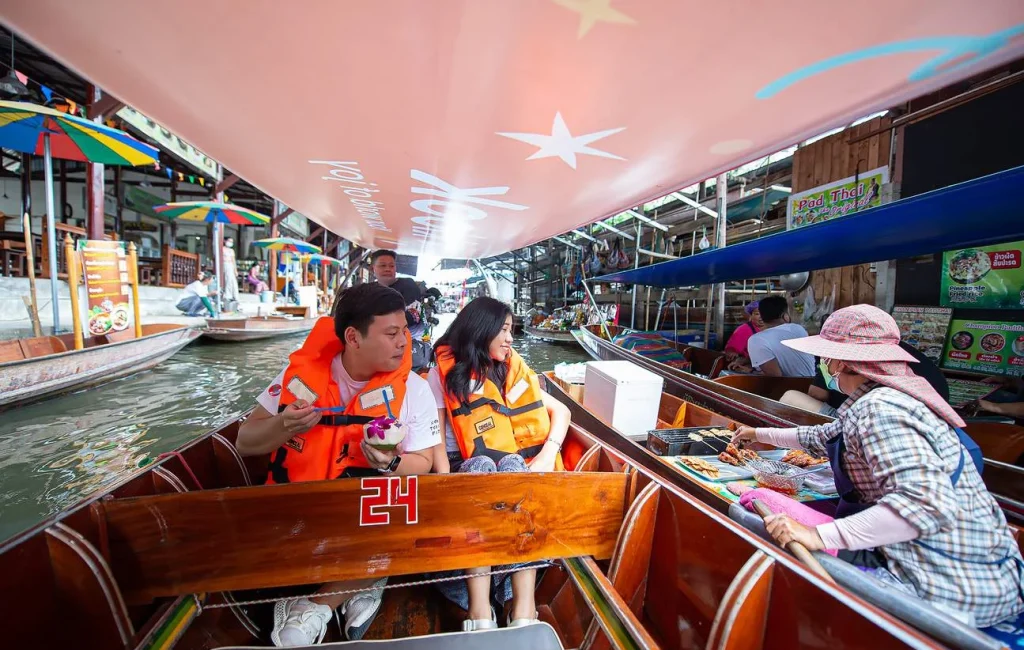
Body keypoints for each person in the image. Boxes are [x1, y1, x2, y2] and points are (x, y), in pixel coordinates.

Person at [732, 305, 1023, 628]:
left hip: (948, 586)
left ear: (841, 363)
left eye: (826, 359)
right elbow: (821, 436)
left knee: (766, 534)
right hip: (940, 564)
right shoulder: (876, 399)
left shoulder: (881, 410)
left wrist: (818, 535)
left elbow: (924, 505)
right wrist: (757, 434)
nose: (824, 366)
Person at [235, 283, 441, 646]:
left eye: (405, 332)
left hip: (368, 521)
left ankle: (316, 606)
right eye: (391, 333)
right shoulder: (298, 378)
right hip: (300, 513)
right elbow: (245, 442)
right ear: (353, 337)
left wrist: (391, 462)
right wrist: (283, 425)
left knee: (411, 532)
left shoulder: (414, 389)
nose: (403, 343)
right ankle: (363, 583)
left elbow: (424, 462)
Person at [426, 296, 570, 630]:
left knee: (514, 468)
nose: (510, 339)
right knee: (481, 467)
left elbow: (561, 411)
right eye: (503, 330)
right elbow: (437, 445)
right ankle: (479, 612)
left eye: (511, 330)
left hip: (510, 471)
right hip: (466, 471)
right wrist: (445, 486)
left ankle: (523, 609)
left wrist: (547, 454)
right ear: (481, 330)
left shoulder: (509, 372)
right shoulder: (440, 375)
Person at [783, 342, 950, 417]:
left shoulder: (876, 404)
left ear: (841, 364)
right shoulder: (893, 358)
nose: (823, 363)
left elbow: (817, 395)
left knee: (791, 397)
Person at [745, 295, 814, 377]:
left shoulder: (756, 340)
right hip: (813, 382)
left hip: (793, 384)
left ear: (762, 317)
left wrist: (751, 371)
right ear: (785, 316)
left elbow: (775, 376)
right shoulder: (799, 329)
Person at [724, 301, 761, 370]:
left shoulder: (772, 328)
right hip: (749, 366)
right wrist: (733, 355)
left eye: (764, 314)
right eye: (757, 314)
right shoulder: (743, 329)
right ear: (751, 315)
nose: (761, 317)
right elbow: (731, 351)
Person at [221, 236, 239, 310]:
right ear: (225, 241)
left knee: (233, 281)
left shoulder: (231, 250)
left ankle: (235, 296)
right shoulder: (222, 249)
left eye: (232, 242)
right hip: (225, 264)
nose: (230, 243)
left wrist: (235, 270)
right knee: (228, 280)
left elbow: (233, 260)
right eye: (229, 241)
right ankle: (228, 295)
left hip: (230, 265)